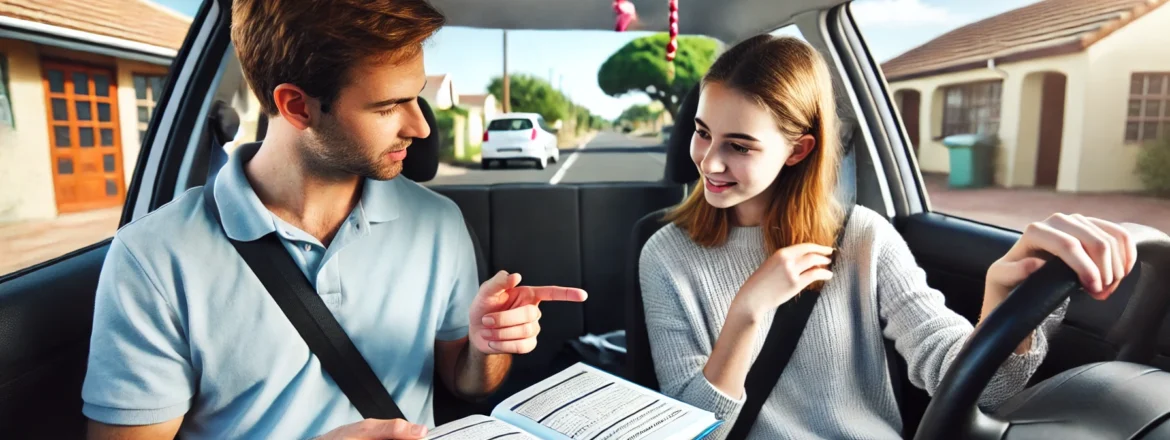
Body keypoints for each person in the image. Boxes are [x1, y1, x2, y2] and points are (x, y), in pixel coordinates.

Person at [82, 1, 587, 439]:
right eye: (389, 106)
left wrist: (487, 345)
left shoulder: (438, 223)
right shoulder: (152, 258)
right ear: (297, 106)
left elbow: (466, 381)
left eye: (416, 96)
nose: (419, 125)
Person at [638, 34, 1137, 440]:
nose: (709, 161)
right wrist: (749, 312)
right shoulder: (665, 253)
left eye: (739, 145)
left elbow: (982, 390)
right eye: (703, 132)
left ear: (797, 150)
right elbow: (693, 430)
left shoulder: (863, 237)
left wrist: (1002, 297)